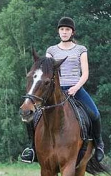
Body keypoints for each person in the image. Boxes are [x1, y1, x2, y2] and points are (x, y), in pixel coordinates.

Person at [21, 17, 105, 163]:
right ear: (58, 31)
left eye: (67, 30)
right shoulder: (51, 50)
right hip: (54, 92)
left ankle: (99, 145)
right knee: (33, 115)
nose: (64, 32)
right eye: (62, 29)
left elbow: (85, 73)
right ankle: (32, 148)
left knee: (95, 114)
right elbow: (45, 71)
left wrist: (76, 87)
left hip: (75, 89)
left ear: (72, 32)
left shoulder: (81, 50)